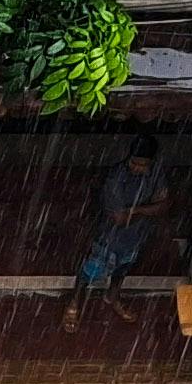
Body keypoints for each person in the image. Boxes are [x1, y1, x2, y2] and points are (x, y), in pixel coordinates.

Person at [61, 139, 175, 327]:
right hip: (108, 238)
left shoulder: (156, 173)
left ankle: (112, 297)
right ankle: (73, 304)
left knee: (122, 270)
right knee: (89, 273)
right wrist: (148, 208)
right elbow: (119, 218)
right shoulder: (116, 176)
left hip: (136, 237)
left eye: (142, 164)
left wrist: (135, 211)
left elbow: (164, 205)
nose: (138, 168)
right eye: (135, 163)